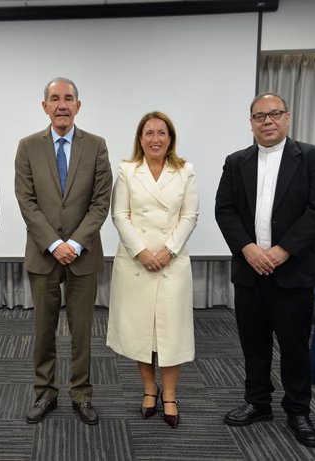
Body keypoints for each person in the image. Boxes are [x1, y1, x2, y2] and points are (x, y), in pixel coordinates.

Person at [215, 93, 315, 447]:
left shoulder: (312, 158)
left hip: (292, 271)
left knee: (295, 345)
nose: (267, 121)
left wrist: (283, 251)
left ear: (287, 118)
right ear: (251, 123)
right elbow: (225, 210)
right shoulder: (236, 162)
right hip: (250, 270)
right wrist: (248, 249)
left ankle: (298, 410)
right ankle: (258, 403)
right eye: (259, 116)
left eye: (274, 114)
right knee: (254, 343)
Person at [15, 77, 112, 425]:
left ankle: (82, 394)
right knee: (43, 329)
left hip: (83, 255)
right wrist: (55, 244)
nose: (62, 105)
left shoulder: (97, 145)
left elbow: (101, 203)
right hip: (43, 254)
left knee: (82, 331)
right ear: (44, 106)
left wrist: (75, 243)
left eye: (68, 98)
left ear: (78, 105)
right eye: (54, 99)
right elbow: (26, 201)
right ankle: (45, 393)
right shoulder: (28, 146)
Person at [107, 111, 198, 429]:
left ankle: (170, 395)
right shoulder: (127, 170)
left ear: (170, 138)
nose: (155, 138)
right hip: (136, 262)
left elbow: (190, 216)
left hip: (172, 263)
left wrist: (168, 251)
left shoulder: (185, 170)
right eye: (149, 133)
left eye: (162, 133)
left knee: (171, 332)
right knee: (140, 331)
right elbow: (119, 215)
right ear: (140, 139)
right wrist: (142, 251)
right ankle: (149, 390)